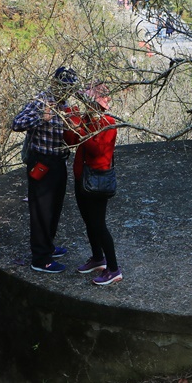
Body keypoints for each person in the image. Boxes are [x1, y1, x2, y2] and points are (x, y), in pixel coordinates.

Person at [12, 66, 78, 273]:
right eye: (63, 86)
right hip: (42, 163)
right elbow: (16, 123)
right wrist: (42, 117)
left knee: (55, 208)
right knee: (41, 211)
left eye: (69, 87)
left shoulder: (64, 104)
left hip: (59, 161)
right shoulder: (41, 101)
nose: (66, 90)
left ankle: (48, 247)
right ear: (54, 83)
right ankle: (40, 259)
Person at [64, 84, 122, 286]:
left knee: (99, 225)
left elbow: (97, 150)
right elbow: (70, 140)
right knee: (89, 222)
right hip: (82, 179)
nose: (86, 105)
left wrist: (80, 128)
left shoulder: (109, 123)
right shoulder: (87, 120)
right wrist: (70, 121)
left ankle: (113, 268)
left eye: (89, 102)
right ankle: (98, 258)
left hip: (98, 181)